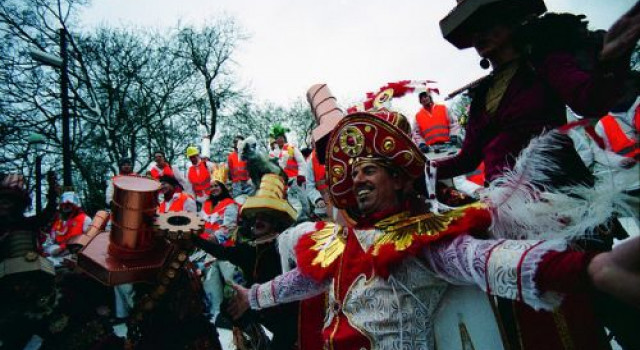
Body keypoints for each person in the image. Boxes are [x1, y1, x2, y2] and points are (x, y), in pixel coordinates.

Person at [226, 109, 640, 349]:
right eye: (353, 175)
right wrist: (252, 298)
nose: (357, 181)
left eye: (369, 170)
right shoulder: (339, 241)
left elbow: (488, 261)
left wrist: (590, 269)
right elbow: (301, 281)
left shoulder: (423, 237)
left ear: (402, 180)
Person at [436, 1, 639, 187]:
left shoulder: (543, 64)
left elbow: (589, 102)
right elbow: (467, 159)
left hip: (560, 195)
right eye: (473, 30)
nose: (479, 34)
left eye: (486, 24)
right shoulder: (481, 94)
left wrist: (612, 60)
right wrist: (418, 166)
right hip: (507, 206)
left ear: (510, 23)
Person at [194, 174, 299, 349]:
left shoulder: (286, 244)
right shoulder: (248, 249)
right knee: (228, 307)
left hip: (284, 312)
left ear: (275, 222)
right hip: (257, 307)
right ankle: (257, 338)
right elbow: (221, 252)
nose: (258, 221)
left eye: (264, 217)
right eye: (256, 217)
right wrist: (194, 239)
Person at [47, 191, 92, 257]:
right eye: (64, 205)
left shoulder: (85, 219)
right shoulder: (59, 222)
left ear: (75, 206)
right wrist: (54, 249)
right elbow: (51, 241)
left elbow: (89, 241)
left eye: (69, 204)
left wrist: (72, 249)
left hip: (76, 256)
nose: (66, 207)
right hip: (57, 257)